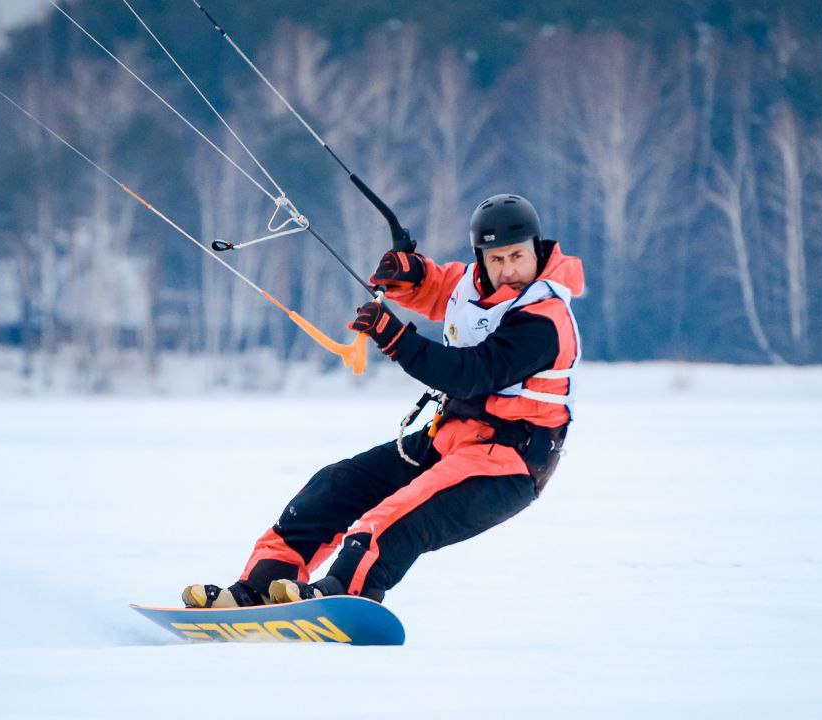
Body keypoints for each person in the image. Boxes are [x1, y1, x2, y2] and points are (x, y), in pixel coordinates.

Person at [183, 193, 585, 607]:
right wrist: (409, 273)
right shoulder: (473, 284)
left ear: (537, 250)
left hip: (507, 463)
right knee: (334, 487)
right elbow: (435, 286)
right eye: (495, 259)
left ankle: (343, 594)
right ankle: (261, 587)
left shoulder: (545, 319)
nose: (508, 271)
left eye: (517, 257)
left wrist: (396, 339)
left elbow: (469, 374)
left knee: (390, 520)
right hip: (447, 440)